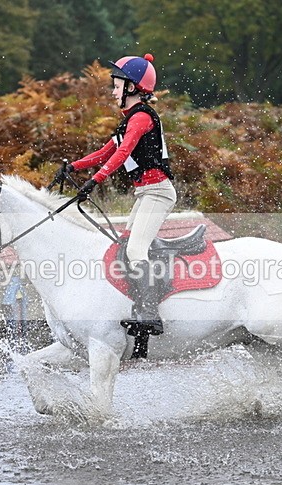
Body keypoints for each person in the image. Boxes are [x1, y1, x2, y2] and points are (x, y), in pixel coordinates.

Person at [56, 53, 176, 336]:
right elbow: (105, 152)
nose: (113, 90)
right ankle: (138, 305)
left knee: (135, 250)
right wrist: (72, 167)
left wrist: (95, 181)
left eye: (117, 85)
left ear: (132, 87)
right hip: (145, 193)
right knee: (124, 247)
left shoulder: (142, 118)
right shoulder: (128, 121)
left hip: (158, 193)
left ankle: (150, 313)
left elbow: (123, 154)